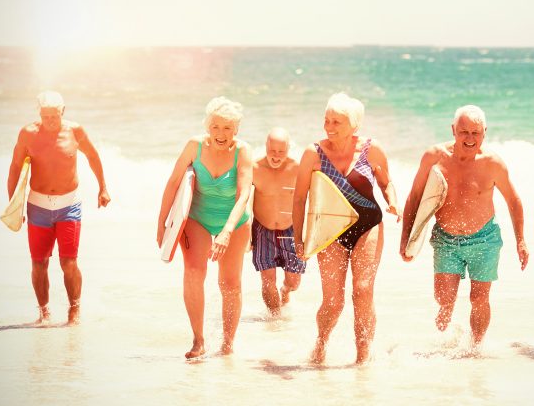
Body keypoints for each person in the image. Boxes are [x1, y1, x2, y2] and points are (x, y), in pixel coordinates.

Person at [400, 105, 528, 355]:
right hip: (446, 240)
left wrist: (521, 241)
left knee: (479, 298)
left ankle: (475, 349)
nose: (470, 139)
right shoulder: (434, 157)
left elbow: (514, 201)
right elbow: (415, 196)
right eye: (464, 132)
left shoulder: (493, 163)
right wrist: (407, 237)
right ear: (453, 130)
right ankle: (443, 343)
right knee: (444, 299)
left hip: (484, 239)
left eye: (476, 133)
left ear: (485, 133)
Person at [293, 93, 400, 364]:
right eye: (326, 120)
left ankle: (362, 358)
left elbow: (386, 182)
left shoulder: (371, 149)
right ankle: (321, 344)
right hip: (329, 230)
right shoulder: (313, 153)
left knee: (363, 290)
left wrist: (393, 202)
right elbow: (299, 198)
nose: (329, 126)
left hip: (368, 226)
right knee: (333, 300)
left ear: (355, 125)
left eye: (336, 122)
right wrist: (299, 238)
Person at [156, 97, 252, 359]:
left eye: (228, 128)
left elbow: (243, 195)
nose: (221, 134)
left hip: (234, 221)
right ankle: (198, 341)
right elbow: (174, 182)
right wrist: (163, 223)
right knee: (194, 272)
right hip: (198, 217)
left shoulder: (242, 152)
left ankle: (228, 344)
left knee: (229, 284)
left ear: (237, 130)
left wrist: (227, 231)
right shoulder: (194, 146)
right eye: (216, 127)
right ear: (208, 126)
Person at [7, 91, 110, 326]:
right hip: (38, 206)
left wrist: (103, 187)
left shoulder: (75, 131)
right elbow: (15, 167)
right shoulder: (28, 134)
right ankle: (44, 312)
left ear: (63, 112)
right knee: (39, 263)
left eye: (54, 116)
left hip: (69, 205)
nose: (50, 121)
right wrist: (14, 205)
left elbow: (93, 156)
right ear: (39, 114)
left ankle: (74, 311)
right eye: (45, 116)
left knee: (68, 262)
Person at [251, 127, 305, 317]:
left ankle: (286, 291)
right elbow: (242, 200)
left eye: (281, 151)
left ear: (288, 148)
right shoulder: (254, 168)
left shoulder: (297, 168)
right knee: (267, 280)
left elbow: (313, 198)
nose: (276, 156)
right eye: (272, 150)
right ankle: (275, 321)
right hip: (262, 229)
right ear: (265, 146)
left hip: (290, 229)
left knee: (294, 282)